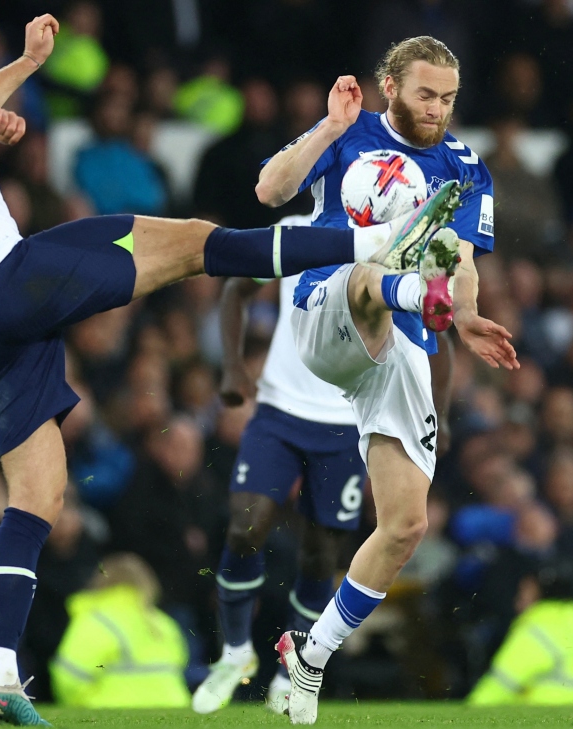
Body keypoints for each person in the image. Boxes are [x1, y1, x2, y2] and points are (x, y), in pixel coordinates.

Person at [0, 3, 438, 725]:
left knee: (39, 496)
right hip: (8, 281)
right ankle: (373, 244)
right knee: (199, 243)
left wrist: (27, 67)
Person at [254, 36, 517, 724]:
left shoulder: (463, 167)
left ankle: (308, 655)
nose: (439, 110)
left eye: (450, 98)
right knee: (371, 273)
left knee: (405, 522)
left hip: (396, 343)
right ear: (390, 87)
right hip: (327, 302)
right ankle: (410, 295)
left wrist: (465, 313)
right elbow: (270, 190)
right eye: (427, 94)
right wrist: (331, 127)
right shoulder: (351, 130)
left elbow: (462, 255)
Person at [193, 211, 453, 715]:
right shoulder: (294, 230)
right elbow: (236, 291)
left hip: (345, 420)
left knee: (318, 554)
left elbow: (437, 341)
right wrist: (232, 366)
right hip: (278, 410)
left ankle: (292, 672)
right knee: (246, 529)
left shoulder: (395, 239)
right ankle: (234, 653)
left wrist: (436, 412)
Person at [49, 553, 189, 708]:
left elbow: (68, 676)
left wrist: (82, 704)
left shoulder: (96, 621)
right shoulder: (163, 622)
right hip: (173, 704)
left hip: (110, 706)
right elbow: (180, 664)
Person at [466, 562, 573, 705]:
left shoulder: (536, 632)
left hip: (542, 712)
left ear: (540, 594)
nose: (517, 603)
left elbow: (500, 683)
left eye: (523, 594)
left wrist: (469, 712)